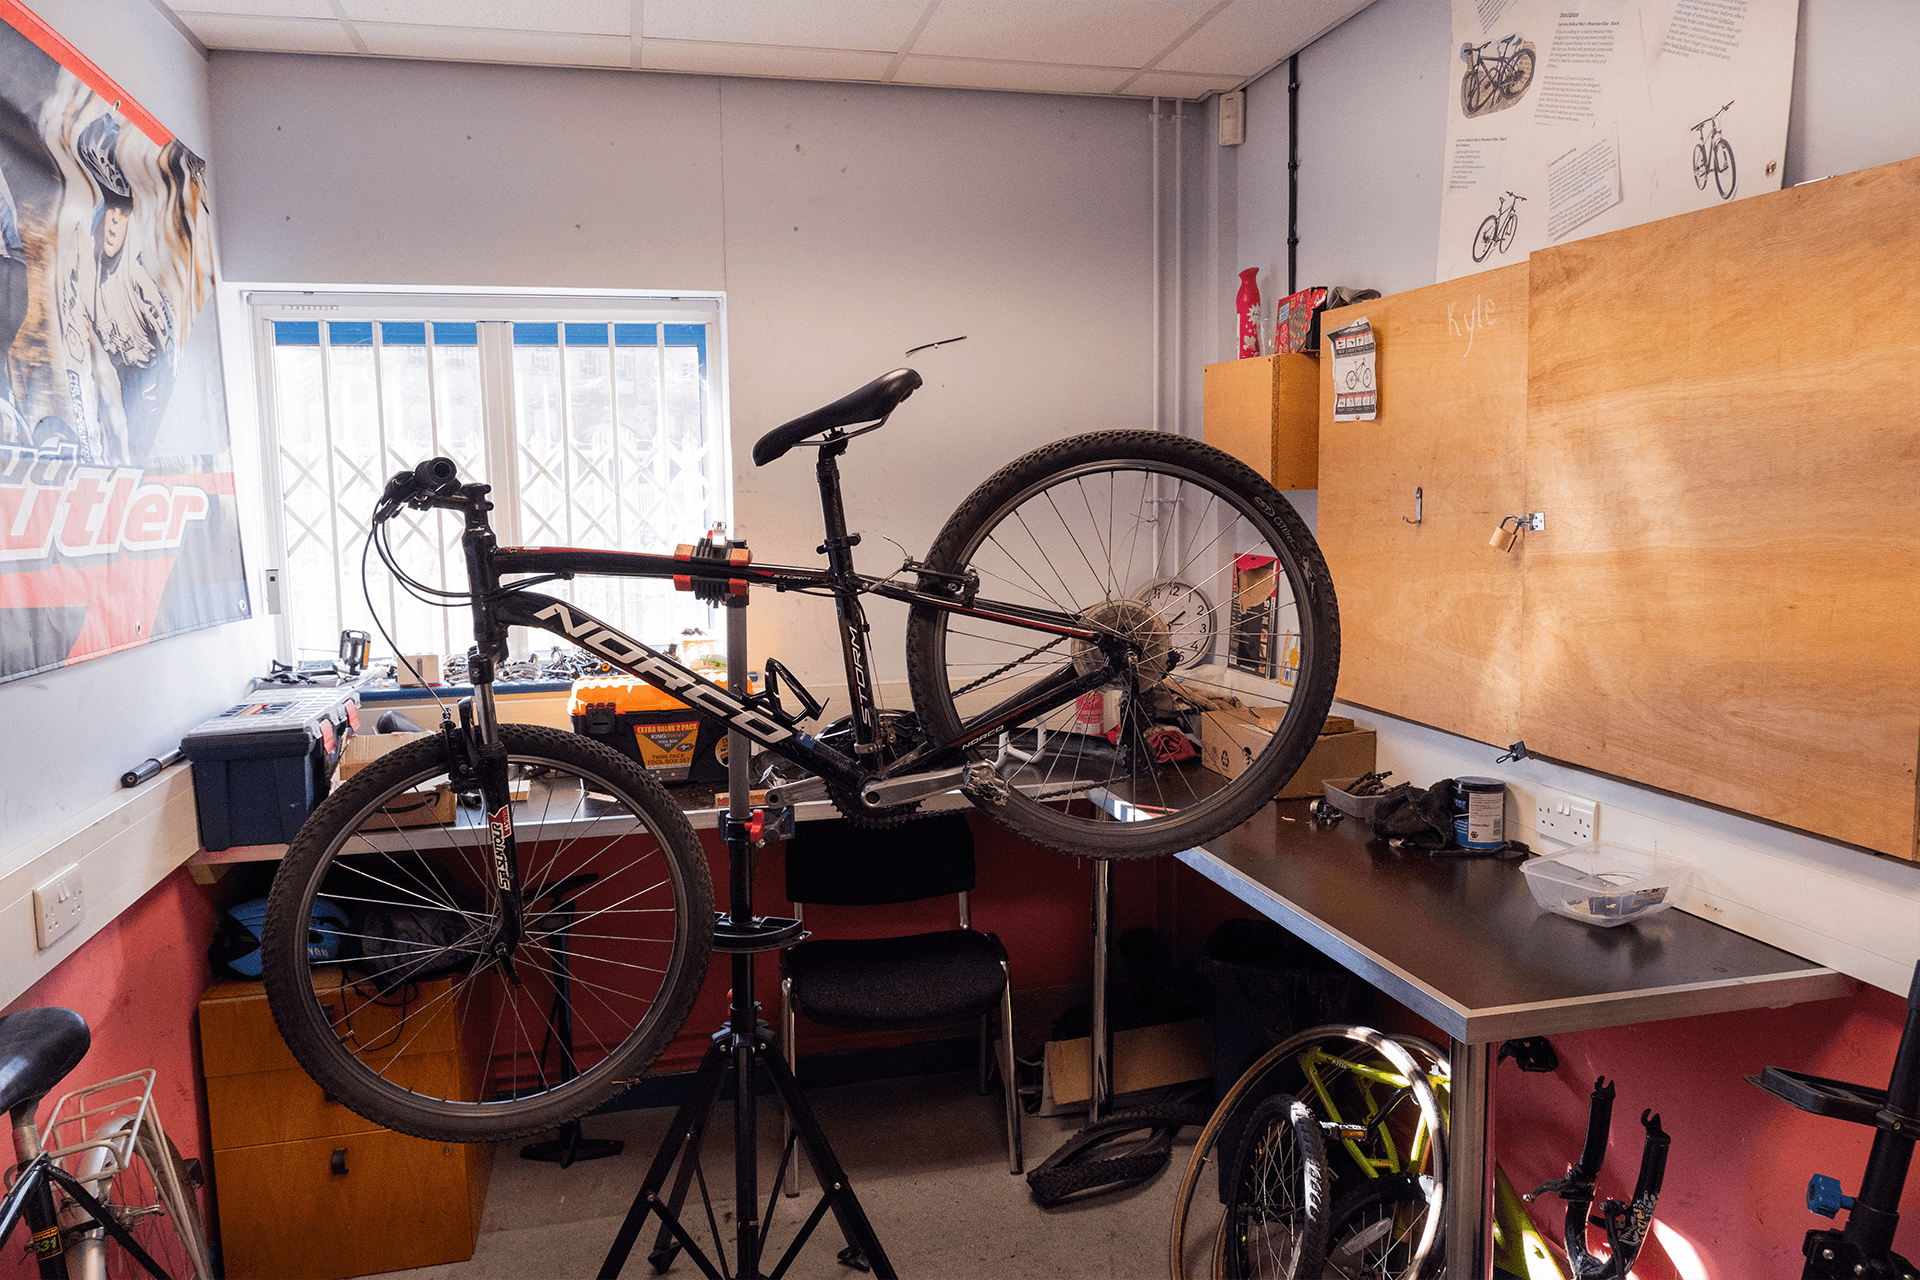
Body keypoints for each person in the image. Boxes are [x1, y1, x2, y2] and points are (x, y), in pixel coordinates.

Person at [58, 113, 175, 466]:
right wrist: (88, 453)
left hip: (154, 371)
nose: (115, 224)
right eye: (112, 212)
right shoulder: (79, 263)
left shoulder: (141, 274)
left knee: (145, 447)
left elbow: (171, 344)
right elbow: (76, 360)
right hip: (124, 370)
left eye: (124, 215)